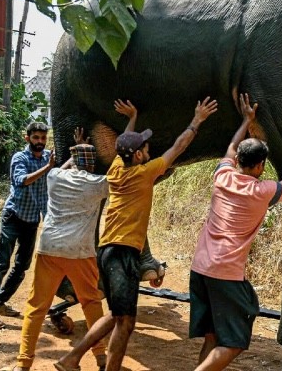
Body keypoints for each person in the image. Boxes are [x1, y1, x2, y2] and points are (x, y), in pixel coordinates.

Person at [56, 97, 218, 371]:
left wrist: (132, 118)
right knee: (126, 321)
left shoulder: (118, 168)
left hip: (107, 252)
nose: (148, 149)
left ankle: (70, 358)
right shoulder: (144, 174)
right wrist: (197, 120)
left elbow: (124, 144)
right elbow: (179, 146)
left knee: (117, 315)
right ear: (140, 155)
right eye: (145, 146)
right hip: (123, 254)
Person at [189, 94, 282, 371]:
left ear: (238, 160)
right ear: (261, 166)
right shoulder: (263, 191)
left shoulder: (222, 176)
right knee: (235, 341)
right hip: (225, 273)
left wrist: (247, 120)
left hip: (200, 269)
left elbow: (230, 148)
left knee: (213, 335)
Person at [15, 128, 112, 371]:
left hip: (49, 248)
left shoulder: (54, 177)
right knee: (91, 303)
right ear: (91, 166)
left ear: (74, 162)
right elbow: (116, 177)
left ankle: (23, 364)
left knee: (36, 307)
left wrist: (76, 150)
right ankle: (101, 357)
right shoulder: (98, 184)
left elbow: (65, 167)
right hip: (80, 252)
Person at [0, 121, 55, 330]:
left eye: (43, 138)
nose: (40, 142)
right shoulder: (20, 158)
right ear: (27, 138)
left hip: (32, 220)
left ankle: (0, 302)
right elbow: (21, 180)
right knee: (1, 264)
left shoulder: (48, 157)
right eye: (36, 138)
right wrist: (47, 167)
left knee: (22, 266)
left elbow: (58, 173)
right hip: (13, 217)